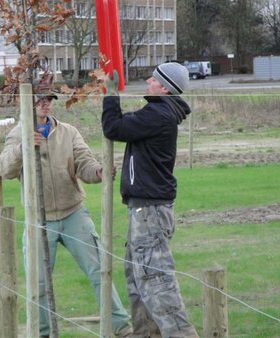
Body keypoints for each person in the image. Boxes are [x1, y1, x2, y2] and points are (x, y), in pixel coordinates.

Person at [0, 89, 132, 338]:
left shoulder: (68, 132)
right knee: (38, 284)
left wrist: (99, 172)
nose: (45, 104)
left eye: (49, 100)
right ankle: (42, 331)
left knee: (100, 270)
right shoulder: (17, 135)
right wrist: (24, 146)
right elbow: (3, 169)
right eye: (40, 99)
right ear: (27, 102)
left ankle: (120, 326)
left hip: (73, 213)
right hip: (39, 219)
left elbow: (84, 162)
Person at [101, 62, 199, 338]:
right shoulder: (158, 111)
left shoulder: (158, 115)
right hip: (144, 209)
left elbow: (114, 127)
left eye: (153, 79)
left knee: (155, 282)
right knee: (137, 278)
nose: (147, 80)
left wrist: (110, 94)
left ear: (165, 87)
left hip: (150, 212)